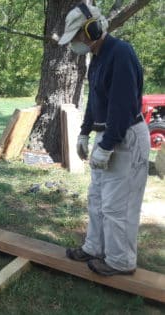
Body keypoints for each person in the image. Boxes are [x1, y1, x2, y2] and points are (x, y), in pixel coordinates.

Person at [58, 3, 150, 276]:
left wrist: (108, 144)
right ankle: (95, 246)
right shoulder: (97, 58)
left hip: (125, 136)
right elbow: (95, 101)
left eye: (77, 36)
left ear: (93, 29)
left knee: (117, 205)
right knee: (97, 198)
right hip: (107, 135)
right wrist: (85, 131)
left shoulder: (120, 53)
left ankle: (121, 261)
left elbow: (121, 107)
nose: (75, 42)